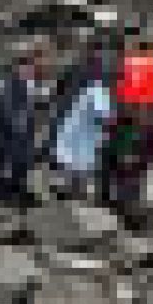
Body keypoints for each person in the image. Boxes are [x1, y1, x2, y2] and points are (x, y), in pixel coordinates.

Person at [0, 51, 47, 205]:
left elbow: (30, 109)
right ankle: (3, 193)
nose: (29, 71)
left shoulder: (26, 85)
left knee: (19, 165)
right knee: (8, 164)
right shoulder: (10, 84)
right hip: (10, 132)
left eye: (31, 68)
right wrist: (17, 126)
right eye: (26, 67)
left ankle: (14, 191)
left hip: (20, 133)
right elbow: (5, 108)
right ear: (18, 68)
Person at [53, 56, 113, 200]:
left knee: (74, 158)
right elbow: (105, 116)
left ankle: (71, 187)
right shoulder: (97, 91)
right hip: (82, 132)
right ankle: (74, 188)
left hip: (79, 130)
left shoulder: (86, 90)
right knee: (78, 159)